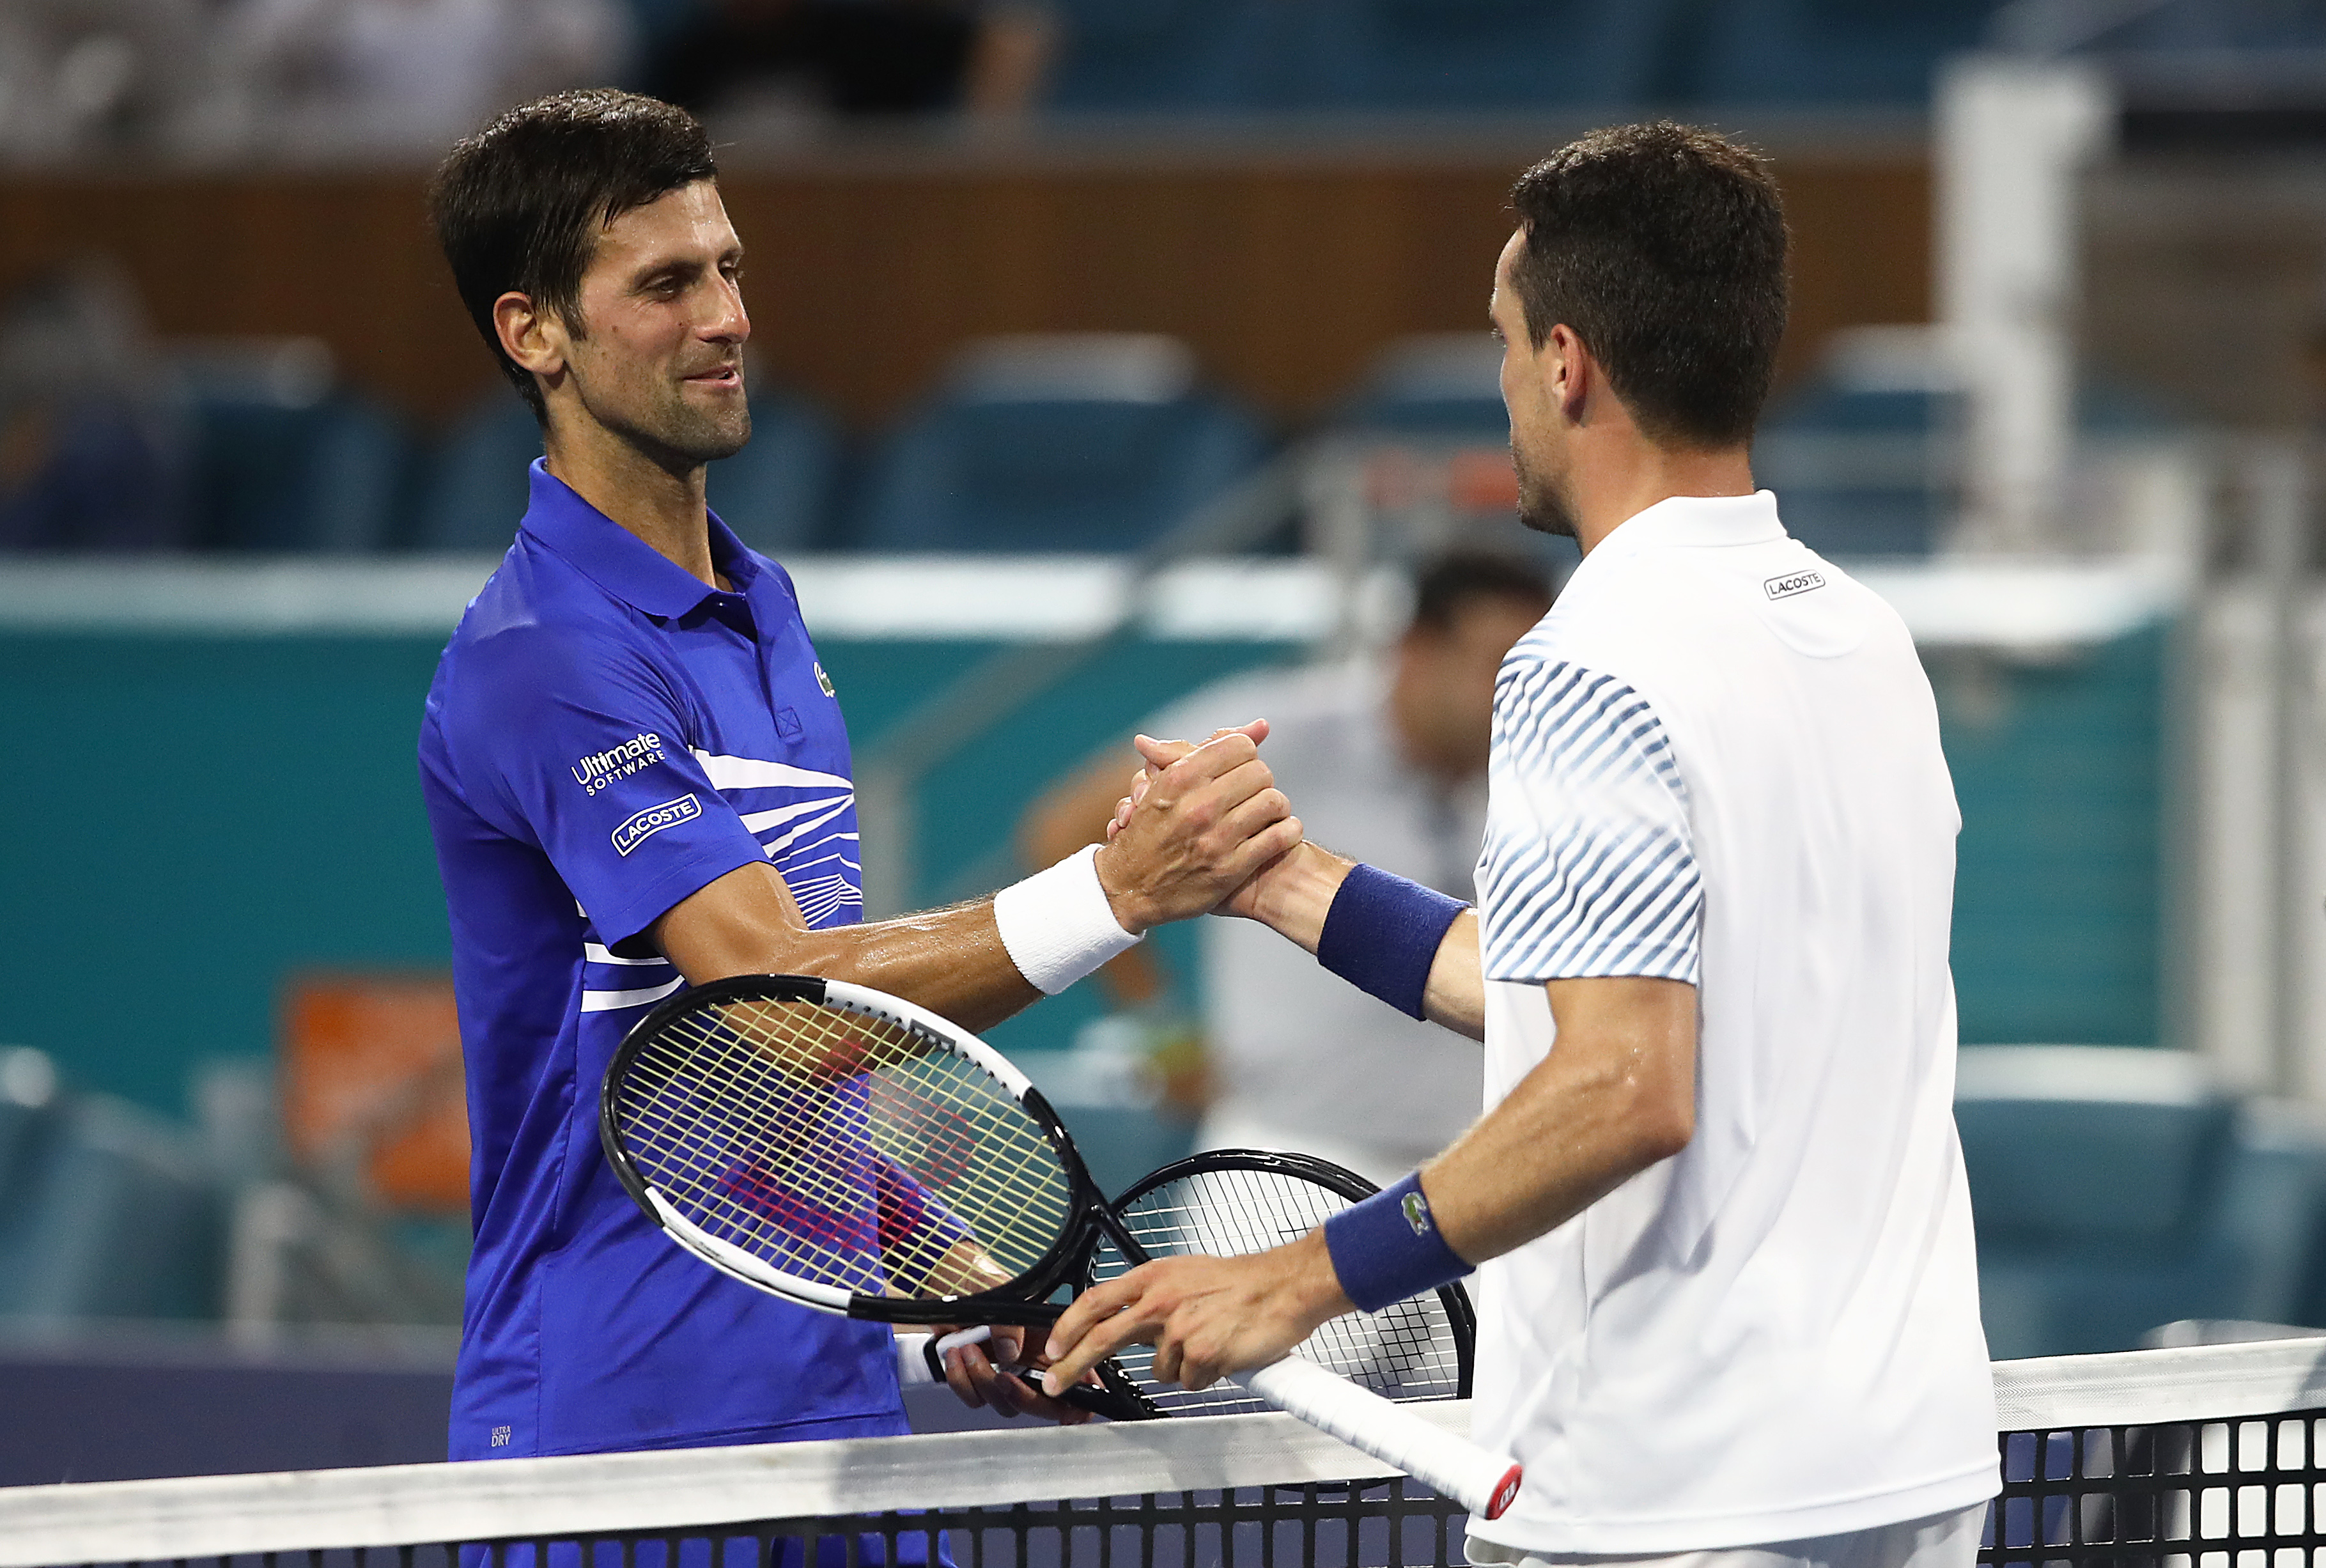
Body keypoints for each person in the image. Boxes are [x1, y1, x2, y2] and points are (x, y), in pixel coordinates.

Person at [1044, 121, 1999, 1568]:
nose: (1502, 394)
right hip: (1902, 1460)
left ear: (1564, 364)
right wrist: (1291, 888)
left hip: (1681, 1494)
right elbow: (1593, 988)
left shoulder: (1587, 657)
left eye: (1501, 346)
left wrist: (1300, 1277)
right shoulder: (1855, 635)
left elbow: (1620, 1082)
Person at [416, 88, 1298, 1466]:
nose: (726, 318)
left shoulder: (762, 608)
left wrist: (942, 1292)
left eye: (727, 267)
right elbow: (772, 1003)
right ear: (535, 333)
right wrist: (1115, 891)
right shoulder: (544, 659)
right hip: (608, 1438)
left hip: (836, 1417)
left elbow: (785, 1097)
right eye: (664, 285)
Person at [1018, 550, 1553, 1184]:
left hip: (1479, 1163)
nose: (1515, 692)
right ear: (1417, 651)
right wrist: (1158, 1029)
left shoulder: (1546, 765)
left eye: (1532, 669)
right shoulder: (1278, 734)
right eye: (1497, 663)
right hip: (1283, 1164)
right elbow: (1064, 828)